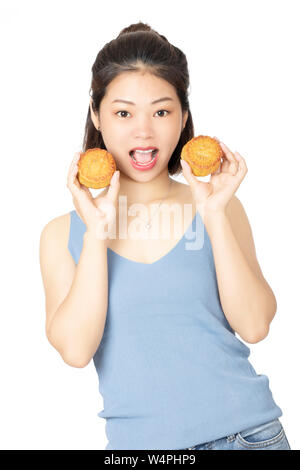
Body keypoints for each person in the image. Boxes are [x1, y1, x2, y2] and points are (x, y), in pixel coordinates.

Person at [39, 22, 291, 450]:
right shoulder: (62, 233)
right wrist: (97, 236)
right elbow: (76, 351)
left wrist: (212, 213)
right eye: (123, 113)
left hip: (247, 437)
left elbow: (254, 325)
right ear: (96, 115)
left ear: (183, 117)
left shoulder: (219, 206)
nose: (144, 131)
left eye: (161, 111)